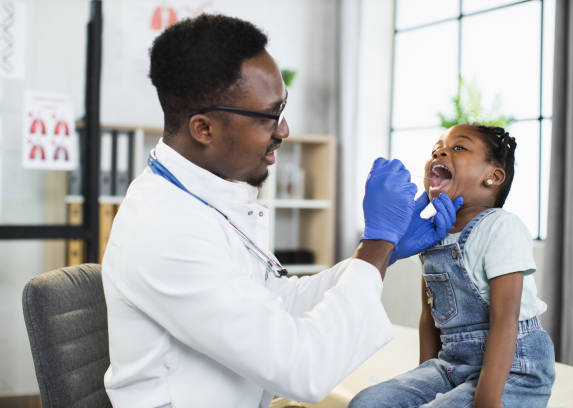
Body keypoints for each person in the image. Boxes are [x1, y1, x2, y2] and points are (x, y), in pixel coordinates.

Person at [101, 13, 462, 408]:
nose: (284, 130)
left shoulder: (207, 198)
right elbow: (301, 368)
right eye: (269, 116)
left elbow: (276, 301)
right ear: (203, 129)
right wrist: (377, 244)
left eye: (283, 108)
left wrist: (381, 253)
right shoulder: (164, 228)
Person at [349, 124, 556, 408]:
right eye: (436, 149)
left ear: (492, 177)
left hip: (514, 370)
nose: (441, 152)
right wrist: (423, 379)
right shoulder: (432, 235)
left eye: (459, 147)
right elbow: (428, 319)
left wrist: (488, 400)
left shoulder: (501, 227)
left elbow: (505, 319)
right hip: (452, 366)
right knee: (366, 403)